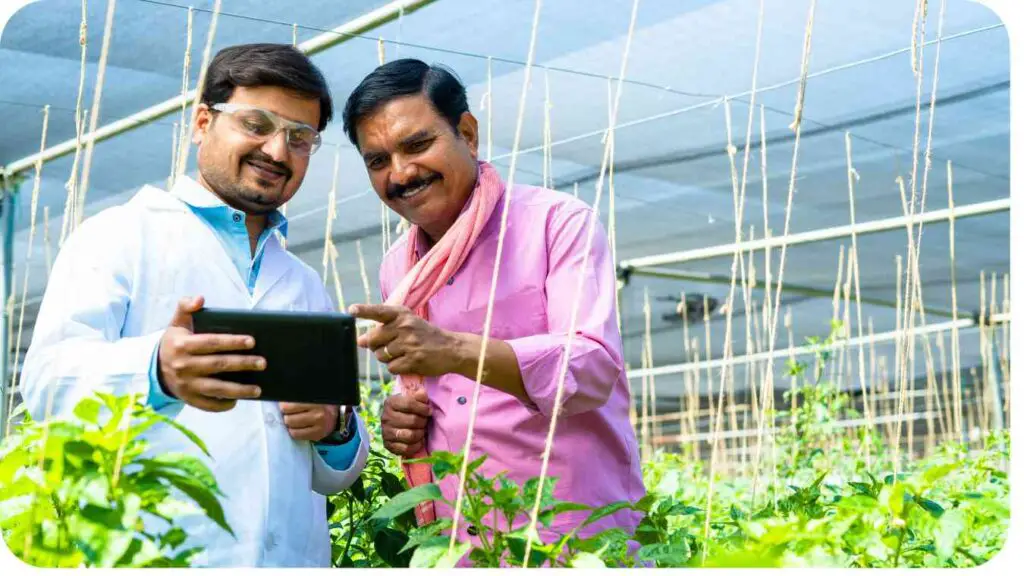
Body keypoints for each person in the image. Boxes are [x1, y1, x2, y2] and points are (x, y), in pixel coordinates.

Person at [20, 43, 368, 568]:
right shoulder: (119, 236)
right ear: (203, 122)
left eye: (300, 138)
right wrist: (156, 367)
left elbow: (333, 472)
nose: (277, 151)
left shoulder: (303, 283)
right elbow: (47, 384)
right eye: (257, 124)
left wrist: (334, 426)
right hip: (162, 555)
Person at [342, 59, 644, 552]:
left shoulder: (557, 223)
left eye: (417, 145)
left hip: (572, 531)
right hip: (465, 534)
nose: (400, 173)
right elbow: (424, 386)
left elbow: (591, 367)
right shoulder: (399, 266)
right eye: (378, 161)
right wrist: (401, 417)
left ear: (467, 132)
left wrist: (457, 351)